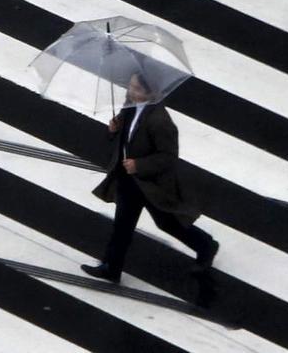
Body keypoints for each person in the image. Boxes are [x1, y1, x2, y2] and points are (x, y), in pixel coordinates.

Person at [81, 73, 219, 283]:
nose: (131, 92)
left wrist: (140, 165)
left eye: (137, 89)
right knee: (122, 226)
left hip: (151, 183)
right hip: (130, 180)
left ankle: (205, 245)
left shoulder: (160, 121)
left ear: (151, 92)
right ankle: (112, 268)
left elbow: (168, 157)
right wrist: (113, 130)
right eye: (131, 86)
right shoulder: (129, 106)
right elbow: (126, 137)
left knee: (167, 222)